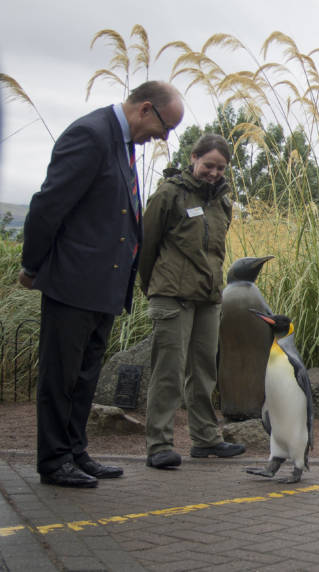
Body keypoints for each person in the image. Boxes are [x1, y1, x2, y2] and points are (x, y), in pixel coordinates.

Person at [19, 81, 184, 487]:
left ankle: (75, 451)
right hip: (73, 281)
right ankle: (54, 460)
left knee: (85, 375)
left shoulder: (121, 142)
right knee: (61, 375)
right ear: (146, 109)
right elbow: (49, 205)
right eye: (164, 128)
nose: (162, 139)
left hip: (104, 286)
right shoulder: (90, 135)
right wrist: (31, 263)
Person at [139, 134, 245, 469]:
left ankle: (205, 439)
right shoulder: (169, 193)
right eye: (208, 165)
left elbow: (215, 250)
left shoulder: (222, 201)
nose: (213, 173)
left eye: (220, 167)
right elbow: (146, 245)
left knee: (203, 372)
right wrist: (153, 286)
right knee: (168, 371)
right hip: (172, 295)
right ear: (193, 157)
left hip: (208, 297)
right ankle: (159, 444)